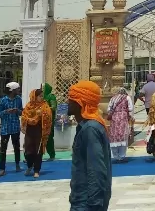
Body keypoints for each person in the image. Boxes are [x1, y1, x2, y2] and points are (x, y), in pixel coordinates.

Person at [68, 80, 112, 211]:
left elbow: (96, 169)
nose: (68, 102)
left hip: (87, 203)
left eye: (71, 98)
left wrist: (94, 203)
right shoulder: (87, 126)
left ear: (81, 102)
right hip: (82, 200)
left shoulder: (90, 129)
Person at [21, 88, 53, 178]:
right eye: (40, 96)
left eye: (42, 96)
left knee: (38, 151)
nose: (42, 98)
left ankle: (36, 170)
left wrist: (42, 114)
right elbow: (24, 116)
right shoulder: (28, 106)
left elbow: (49, 116)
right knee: (28, 151)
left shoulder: (44, 106)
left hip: (40, 131)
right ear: (34, 97)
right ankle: (30, 166)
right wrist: (32, 116)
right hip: (30, 131)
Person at [0, 82, 23, 177]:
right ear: (13, 90)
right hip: (5, 128)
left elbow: (21, 112)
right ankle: (2, 169)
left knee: (17, 147)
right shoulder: (3, 100)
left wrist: (17, 111)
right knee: (3, 149)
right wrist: (6, 111)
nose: (19, 90)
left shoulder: (19, 100)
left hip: (15, 127)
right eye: (17, 89)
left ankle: (17, 165)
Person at [107, 87, 133, 163]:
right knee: (123, 136)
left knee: (114, 136)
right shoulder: (127, 97)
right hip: (123, 118)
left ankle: (116, 156)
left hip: (114, 119)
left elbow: (108, 109)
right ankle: (122, 156)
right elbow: (130, 108)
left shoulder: (113, 98)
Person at [43, 83, 57, 161]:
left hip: (49, 121)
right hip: (41, 121)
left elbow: (54, 107)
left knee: (49, 138)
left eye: (43, 88)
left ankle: (52, 155)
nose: (41, 89)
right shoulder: (41, 97)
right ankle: (35, 156)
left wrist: (44, 109)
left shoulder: (51, 96)